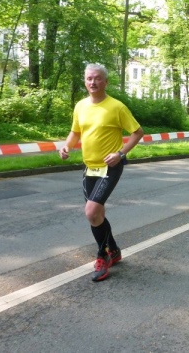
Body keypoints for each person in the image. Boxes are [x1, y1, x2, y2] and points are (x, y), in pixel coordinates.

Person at [59, 63, 144, 282]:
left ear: (106, 81)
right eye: (89, 78)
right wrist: (67, 146)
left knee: (91, 212)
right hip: (89, 167)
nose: (93, 82)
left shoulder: (116, 107)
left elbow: (137, 132)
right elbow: (75, 132)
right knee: (97, 215)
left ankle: (102, 255)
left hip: (110, 167)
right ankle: (113, 250)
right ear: (85, 81)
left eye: (97, 78)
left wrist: (121, 154)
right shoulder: (80, 106)